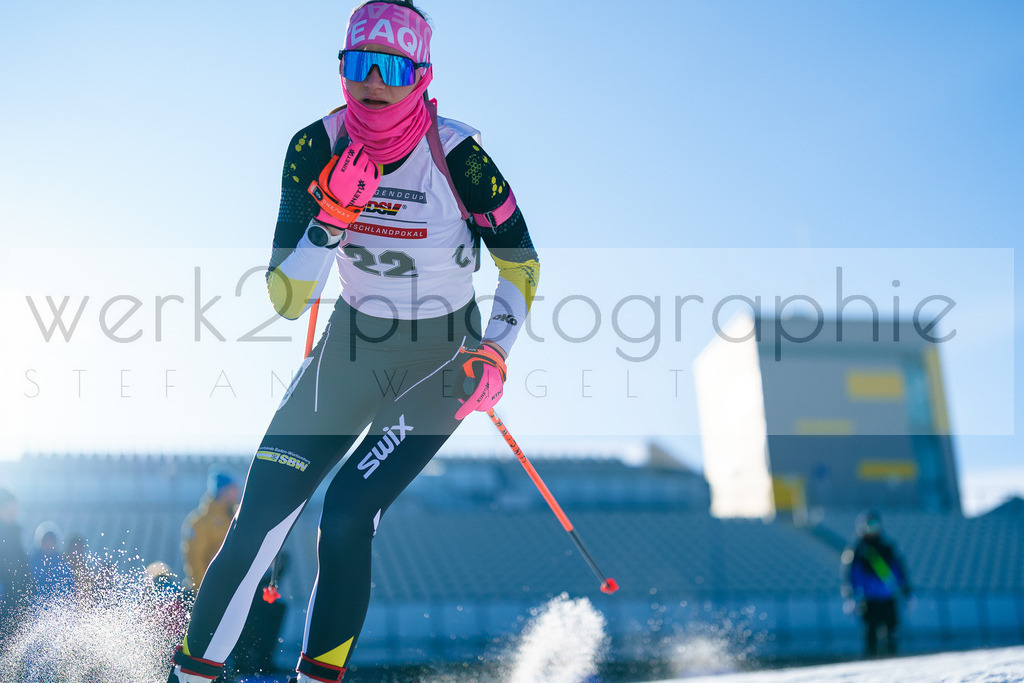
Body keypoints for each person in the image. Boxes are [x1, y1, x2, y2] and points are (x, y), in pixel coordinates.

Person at [167, 2, 539, 681]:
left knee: (345, 514)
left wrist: (496, 348)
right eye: (359, 63)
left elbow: (522, 263)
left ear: (421, 76)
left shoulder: (459, 157)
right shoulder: (315, 148)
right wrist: (331, 217)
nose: (372, 81)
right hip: (353, 345)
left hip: (442, 359)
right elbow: (287, 298)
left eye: (391, 68)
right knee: (260, 517)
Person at [841, 510, 913, 657]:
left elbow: (900, 570)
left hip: (887, 598)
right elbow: (849, 575)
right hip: (868, 600)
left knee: (892, 633)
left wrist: (907, 591)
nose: (873, 529)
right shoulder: (857, 551)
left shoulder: (888, 548)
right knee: (870, 635)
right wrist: (849, 597)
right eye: (869, 525)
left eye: (875, 524)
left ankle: (893, 661)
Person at [181, 468, 242, 592]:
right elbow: (194, 559)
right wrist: (203, 590)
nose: (238, 492)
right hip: (213, 589)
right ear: (223, 491)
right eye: (233, 488)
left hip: (234, 588)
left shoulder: (236, 517)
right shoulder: (200, 522)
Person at [0, 487, 32, 646]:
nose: (15, 511)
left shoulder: (14, 533)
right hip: (4, 601)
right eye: (10, 507)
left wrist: (29, 589)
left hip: (16, 602)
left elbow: (21, 566)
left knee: (14, 647)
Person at [28, 521, 76, 604]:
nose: (48, 544)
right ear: (40, 541)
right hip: (34, 606)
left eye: (51, 540)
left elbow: (68, 590)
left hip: (56, 606)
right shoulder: (30, 563)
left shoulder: (63, 566)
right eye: (46, 540)